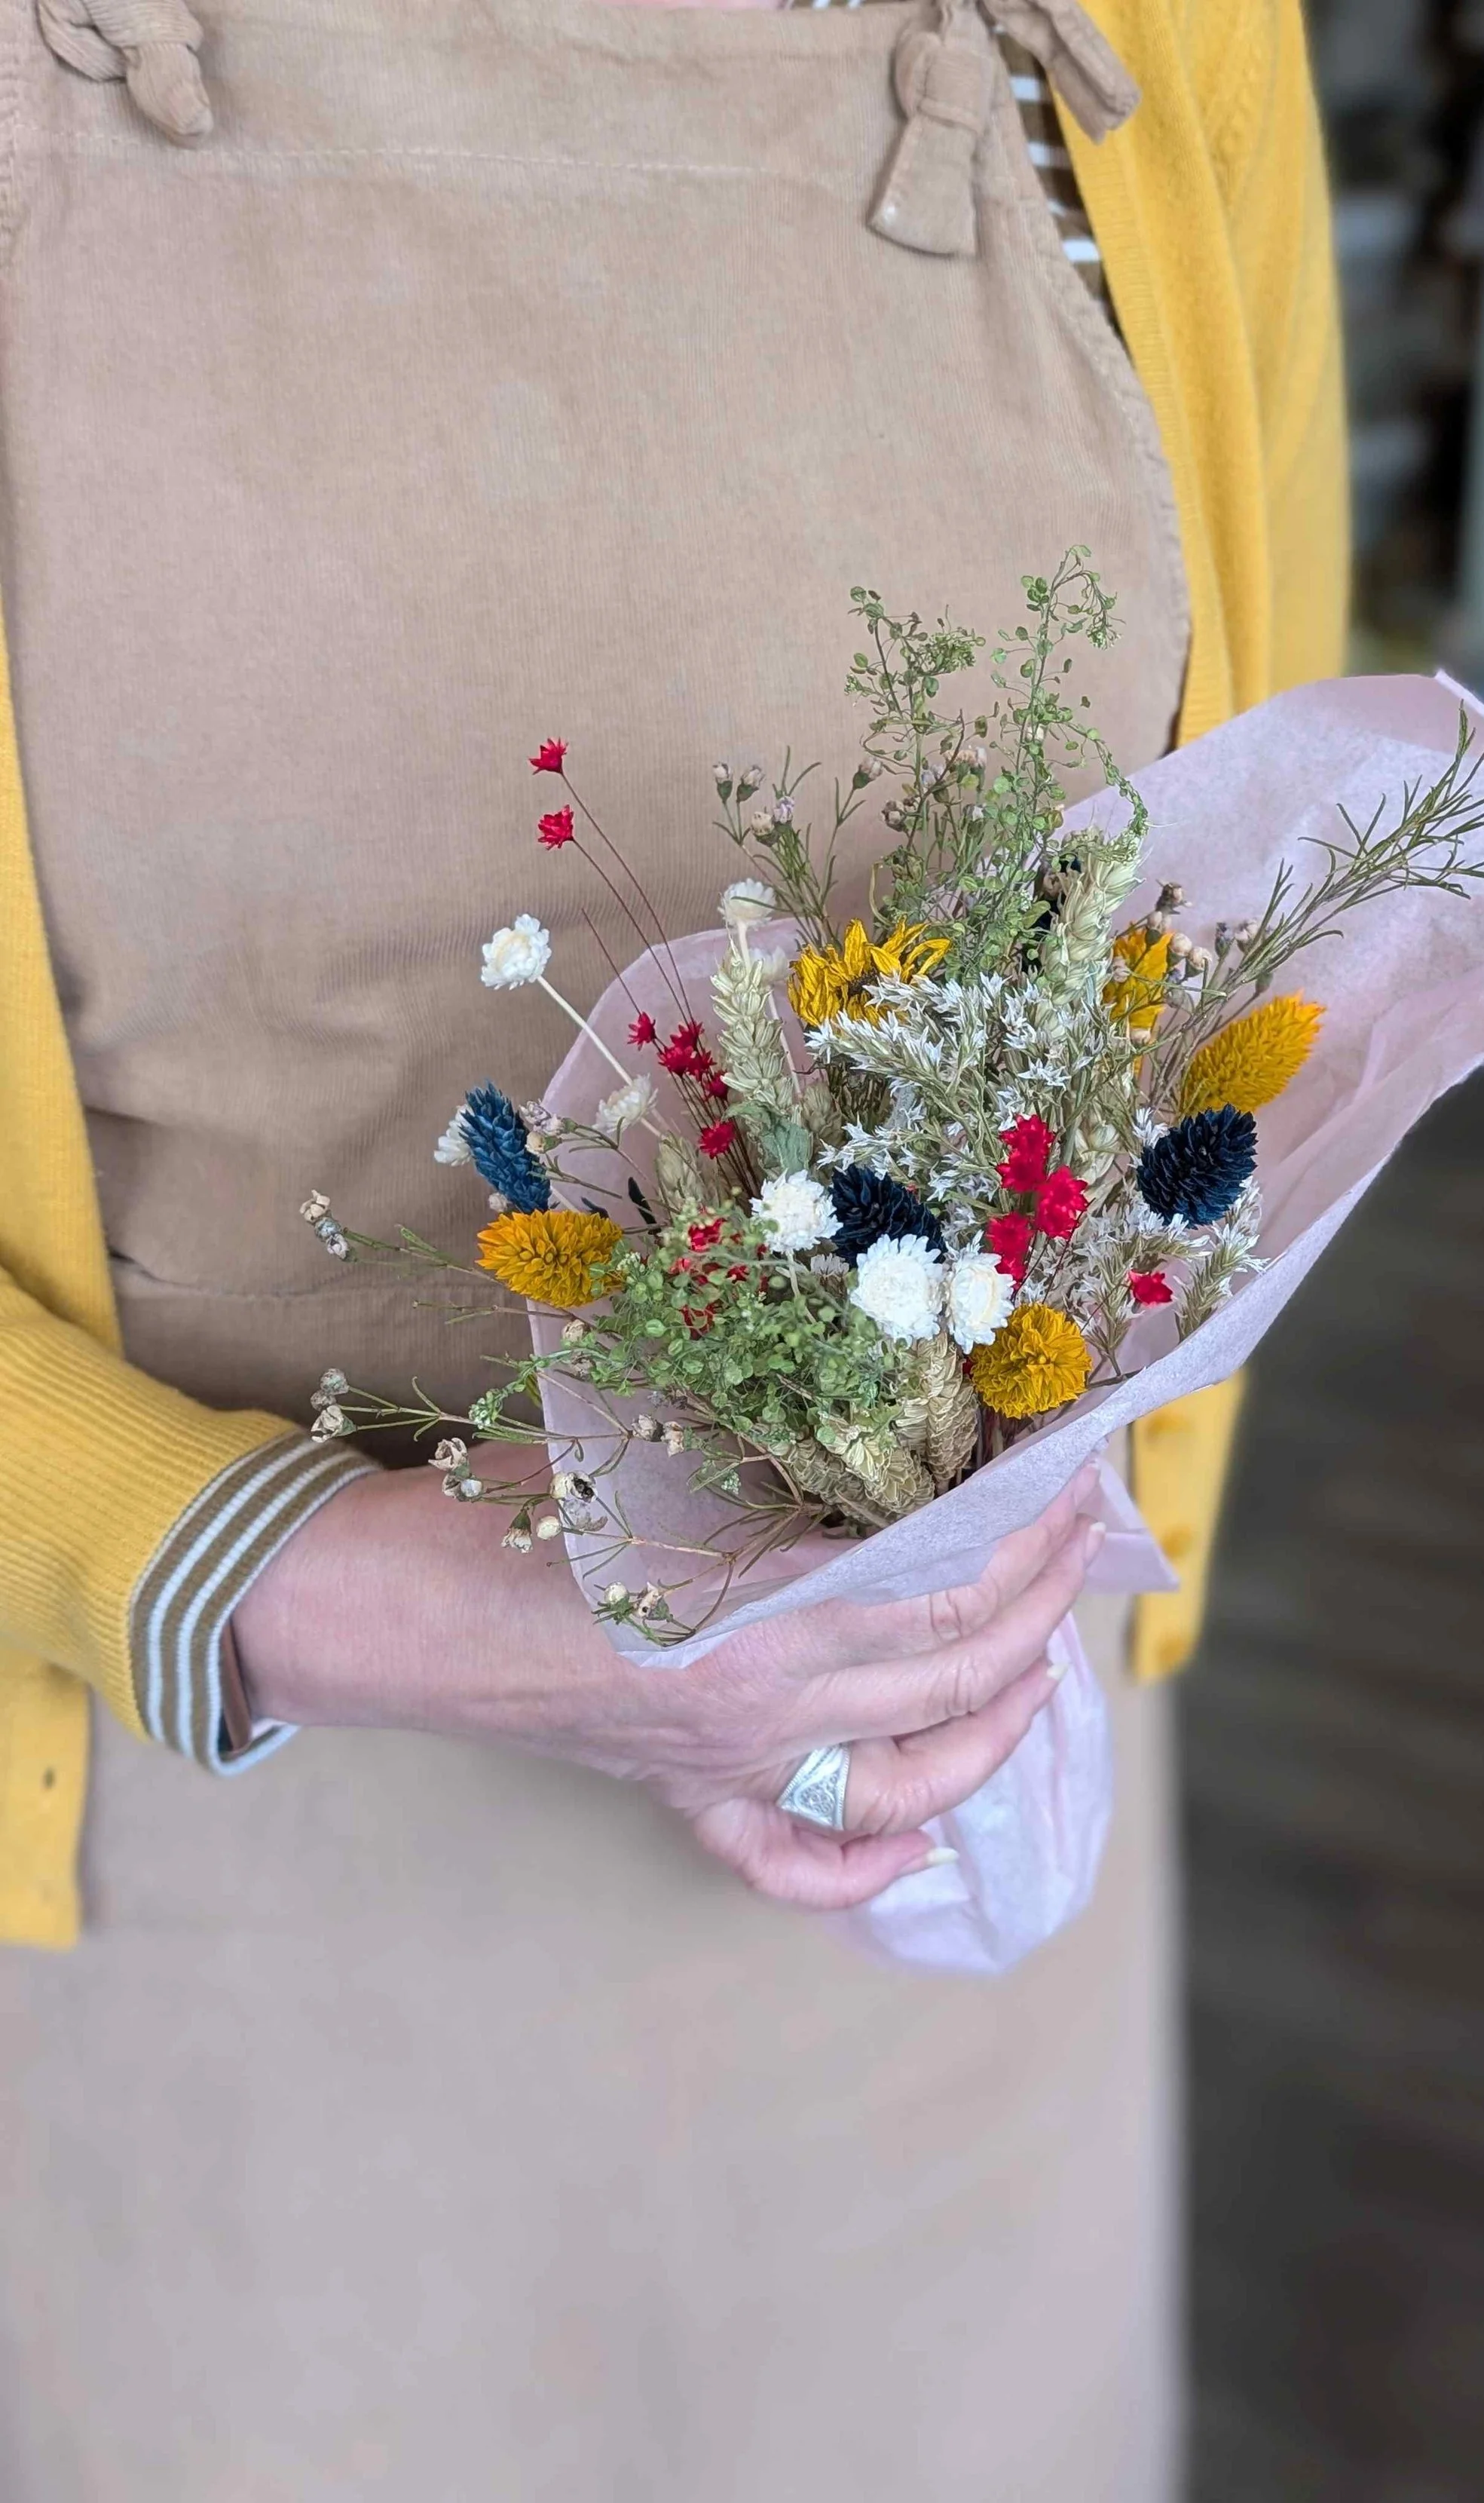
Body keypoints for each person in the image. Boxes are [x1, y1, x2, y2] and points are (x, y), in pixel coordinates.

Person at [0, 0, 1345, 2492]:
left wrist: (1002, 1531)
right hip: (176, 1887)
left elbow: (1242, 903)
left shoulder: (1161, 36)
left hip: (935, 1869)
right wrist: (270, 1572)